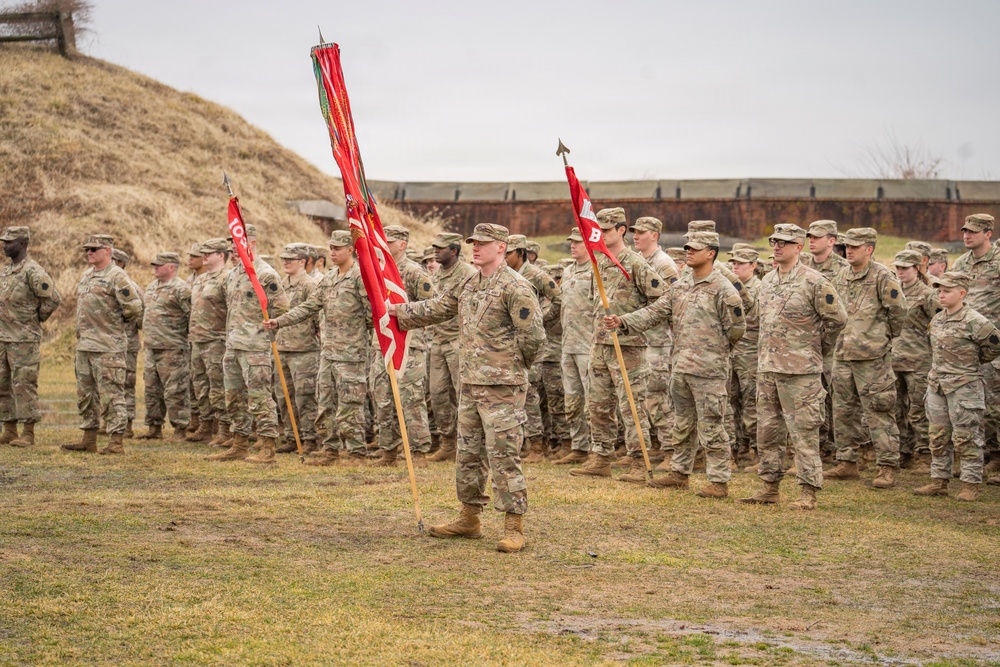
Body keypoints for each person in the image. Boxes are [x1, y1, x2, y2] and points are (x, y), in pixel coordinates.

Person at [391, 223, 545, 553]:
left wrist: (512, 367)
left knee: (504, 453)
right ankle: (469, 516)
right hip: (471, 382)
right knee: (469, 453)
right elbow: (439, 307)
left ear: (502, 247)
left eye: (484, 243)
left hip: (503, 386)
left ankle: (513, 524)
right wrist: (395, 312)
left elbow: (534, 338)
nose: (476, 248)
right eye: (474, 243)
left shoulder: (515, 286)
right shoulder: (470, 282)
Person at [606, 230, 745, 498]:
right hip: (680, 366)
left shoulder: (723, 289)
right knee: (682, 422)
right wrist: (623, 321)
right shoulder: (681, 285)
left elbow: (736, 329)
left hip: (709, 370)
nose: (688, 251)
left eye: (695, 248)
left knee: (712, 424)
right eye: (687, 247)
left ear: (711, 253)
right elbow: (655, 312)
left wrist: (714, 351)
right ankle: (680, 473)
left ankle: (718, 481)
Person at [739, 224, 846, 509]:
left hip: (801, 372)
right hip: (768, 370)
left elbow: (837, 320)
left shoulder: (814, 281)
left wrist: (815, 349)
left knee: (804, 433)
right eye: (774, 241)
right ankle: (769, 487)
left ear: (799, 247)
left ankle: (807, 493)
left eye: (784, 243)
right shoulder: (767, 282)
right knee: (768, 432)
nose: (777, 246)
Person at [569, 208, 670, 483]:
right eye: (598, 229)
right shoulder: (599, 262)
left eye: (608, 229)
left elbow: (664, 301)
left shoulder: (635, 263)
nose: (600, 233)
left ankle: (639, 461)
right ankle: (601, 457)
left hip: (628, 347)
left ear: (622, 230)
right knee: (598, 405)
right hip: (600, 345)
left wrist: (629, 321)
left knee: (632, 408)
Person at [264, 230, 370, 466]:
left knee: (351, 405)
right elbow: (309, 306)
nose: (332, 252)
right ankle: (330, 451)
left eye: (338, 248)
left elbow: (371, 314)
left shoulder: (359, 276)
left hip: (351, 354)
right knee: (325, 404)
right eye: (330, 248)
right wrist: (280, 321)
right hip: (328, 353)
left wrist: (358, 337)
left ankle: (356, 454)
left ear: (350, 250)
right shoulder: (330, 278)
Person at [827, 228, 907, 488]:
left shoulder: (882, 276)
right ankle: (846, 462)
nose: (848, 250)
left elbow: (899, 312)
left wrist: (881, 338)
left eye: (855, 246)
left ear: (869, 249)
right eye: (847, 246)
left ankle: (886, 466)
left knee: (879, 410)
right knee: (842, 411)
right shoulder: (841, 274)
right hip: (842, 354)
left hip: (871, 357)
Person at [913, 272, 1000, 501]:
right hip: (938, 385)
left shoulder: (975, 320)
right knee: (938, 435)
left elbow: (994, 346)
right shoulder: (938, 319)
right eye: (939, 291)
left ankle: (970, 484)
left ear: (962, 293)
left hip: (964, 386)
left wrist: (971, 363)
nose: (941, 295)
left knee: (967, 437)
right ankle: (939, 481)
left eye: (947, 291)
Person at [207, 223, 289, 464]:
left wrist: (268, 325)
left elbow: (282, 307)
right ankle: (239, 443)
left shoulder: (264, 274)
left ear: (251, 243)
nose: (233, 250)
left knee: (259, 397)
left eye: (237, 244)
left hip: (255, 347)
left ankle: (267, 447)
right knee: (233, 396)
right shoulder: (234, 274)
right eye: (231, 245)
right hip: (233, 345)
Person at [61, 234, 143, 455]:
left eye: (94, 249)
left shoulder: (117, 276)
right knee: (86, 394)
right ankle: (89, 439)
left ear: (108, 250)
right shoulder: (87, 275)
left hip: (108, 346)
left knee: (112, 395)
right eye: (87, 249)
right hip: (85, 346)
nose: (89, 252)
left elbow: (134, 308)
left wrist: (114, 326)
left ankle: (116, 442)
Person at [368, 225, 435, 467]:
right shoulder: (377, 271)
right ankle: (388, 451)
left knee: (411, 399)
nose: (383, 244)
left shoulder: (415, 273)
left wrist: (404, 313)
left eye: (390, 240)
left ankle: (419, 453)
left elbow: (433, 307)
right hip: (383, 343)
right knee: (383, 398)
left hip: (409, 345)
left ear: (402, 244)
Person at [505, 234, 565, 463]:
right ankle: (523, 442)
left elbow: (558, 299)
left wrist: (542, 320)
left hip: (531, 344)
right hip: (511, 342)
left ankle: (538, 445)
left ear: (521, 253)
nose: (505, 258)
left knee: (530, 394)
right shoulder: (506, 274)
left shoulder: (536, 275)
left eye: (509, 253)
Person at [0, 226, 61, 448]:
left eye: (10, 242)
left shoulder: (33, 271)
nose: (5, 245)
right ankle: (9, 429)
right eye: (4, 241)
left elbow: (53, 298)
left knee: (24, 385)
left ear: (23, 244)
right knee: (3, 385)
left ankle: (28, 432)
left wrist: (36, 318)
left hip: (24, 341)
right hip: (3, 339)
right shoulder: (6, 270)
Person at [951, 214, 1000, 483]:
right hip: (967, 347)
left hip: (993, 346)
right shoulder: (961, 263)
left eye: (973, 231)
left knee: (994, 406)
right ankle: (975, 458)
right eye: (965, 231)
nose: (967, 235)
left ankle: (997, 456)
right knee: (969, 405)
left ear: (988, 233)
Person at [629, 216, 679, 465]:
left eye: (641, 232)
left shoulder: (664, 265)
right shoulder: (639, 261)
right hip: (642, 340)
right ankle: (657, 448)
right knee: (643, 397)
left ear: (655, 236)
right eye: (634, 232)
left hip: (658, 342)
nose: (636, 236)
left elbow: (671, 304)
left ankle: (671, 451)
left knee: (657, 397)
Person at [425, 232, 477, 462]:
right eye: (435, 247)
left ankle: (470, 444)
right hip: (438, 341)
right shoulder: (437, 274)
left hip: (459, 341)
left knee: (464, 394)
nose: (436, 251)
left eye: (441, 248)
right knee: (437, 395)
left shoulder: (468, 274)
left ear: (454, 251)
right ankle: (448, 442)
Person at [802, 220, 849, 460]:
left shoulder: (844, 269)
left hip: (833, 345)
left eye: (817, 237)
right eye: (809, 236)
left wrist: (826, 342)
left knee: (831, 399)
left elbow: (841, 313)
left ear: (831, 241)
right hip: (805, 346)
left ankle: (832, 449)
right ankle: (817, 449)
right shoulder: (801, 266)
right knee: (810, 399)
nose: (811, 240)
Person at [890, 250, 939, 471]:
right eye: (898, 268)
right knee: (896, 409)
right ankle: (904, 453)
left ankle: (925, 455)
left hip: (918, 360)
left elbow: (938, 324)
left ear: (917, 269)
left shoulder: (928, 294)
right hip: (894, 359)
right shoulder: (893, 291)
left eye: (905, 268)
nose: (900, 272)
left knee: (919, 410)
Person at [138, 252, 192, 440]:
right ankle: (154, 427)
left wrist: (182, 339)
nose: (155, 267)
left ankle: (180, 428)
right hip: (152, 348)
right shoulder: (152, 287)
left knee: (175, 391)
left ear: (171, 267)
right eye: (154, 264)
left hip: (173, 348)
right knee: (152, 389)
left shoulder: (181, 289)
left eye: (159, 265)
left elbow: (191, 316)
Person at [273, 243, 320, 454]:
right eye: (283, 259)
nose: (285, 262)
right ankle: (292, 437)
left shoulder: (310, 285)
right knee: (284, 397)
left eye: (290, 259)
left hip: (304, 349)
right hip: (282, 348)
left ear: (302, 262)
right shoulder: (282, 285)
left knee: (305, 397)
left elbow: (318, 317)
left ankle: (310, 439)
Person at [554, 228, 595, 465]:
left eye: (578, 242)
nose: (573, 246)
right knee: (572, 399)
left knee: (593, 400)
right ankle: (578, 446)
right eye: (571, 242)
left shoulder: (596, 272)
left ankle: (597, 450)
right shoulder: (568, 271)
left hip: (587, 344)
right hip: (568, 344)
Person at [187, 238, 231, 445]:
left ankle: (224, 428)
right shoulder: (201, 279)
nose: (204, 256)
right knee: (200, 385)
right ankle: (206, 424)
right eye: (202, 253)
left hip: (217, 340)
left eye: (209, 253)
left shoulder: (227, 278)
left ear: (221, 255)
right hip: (197, 339)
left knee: (218, 386)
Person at [726, 245, 761, 467]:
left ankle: (759, 452)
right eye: (733, 263)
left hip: (751, 354)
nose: (735, 266)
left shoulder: (759, 289)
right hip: (732, 353)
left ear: (754, 266)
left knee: (752, 405)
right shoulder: (729, 288)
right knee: (730, 404)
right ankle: (735, 450)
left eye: (740, 263)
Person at [111, 249, 143, 438]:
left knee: (126, 383)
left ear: (121, 264)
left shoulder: (131, 287)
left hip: (127, 344)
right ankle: (111, 421)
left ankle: (127, 424)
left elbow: (140, 315)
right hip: (108, 343)